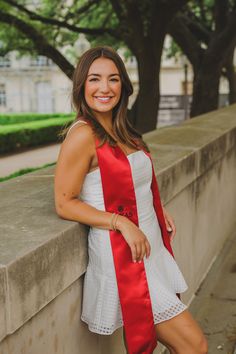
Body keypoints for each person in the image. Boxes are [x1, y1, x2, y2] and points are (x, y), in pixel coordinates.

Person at [54, 46, 208, 354]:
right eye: (94, 79)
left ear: (123, 86)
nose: (104, 88)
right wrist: (120, 221)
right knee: (195, 346)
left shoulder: (123, 130)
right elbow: (64, 202)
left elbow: (133, 181)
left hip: (149, 244)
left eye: (113, 79)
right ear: (82, 85)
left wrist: (156, 210)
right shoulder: (83, 135)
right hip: (124, 256)